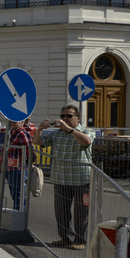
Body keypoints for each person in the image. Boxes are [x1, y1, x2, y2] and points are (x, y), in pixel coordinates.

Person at [38, 105, 94, 248]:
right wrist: (39, 130)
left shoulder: (87, 131)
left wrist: (69, 130)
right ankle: (66, 238)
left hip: (82, 179)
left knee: (81, 213)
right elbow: (37, 142)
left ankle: (81, 240)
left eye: (69, 116)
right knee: (61, 212)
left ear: (78, 118)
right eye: (62, 116)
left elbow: (86, 142)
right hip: (61, 179)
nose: (64, 119)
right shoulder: (57, 134)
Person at [5, 117, 36, 210]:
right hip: (10, 168)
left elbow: (30, 151)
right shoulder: (11, 133)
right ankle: (17, 215)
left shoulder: (22, 134)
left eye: (15, 120)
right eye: (11, 120)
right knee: (15, 194)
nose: (12, 122)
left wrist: (29, 162)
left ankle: (19, 218)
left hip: (18, 169)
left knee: (19, 195)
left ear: (22, 122)